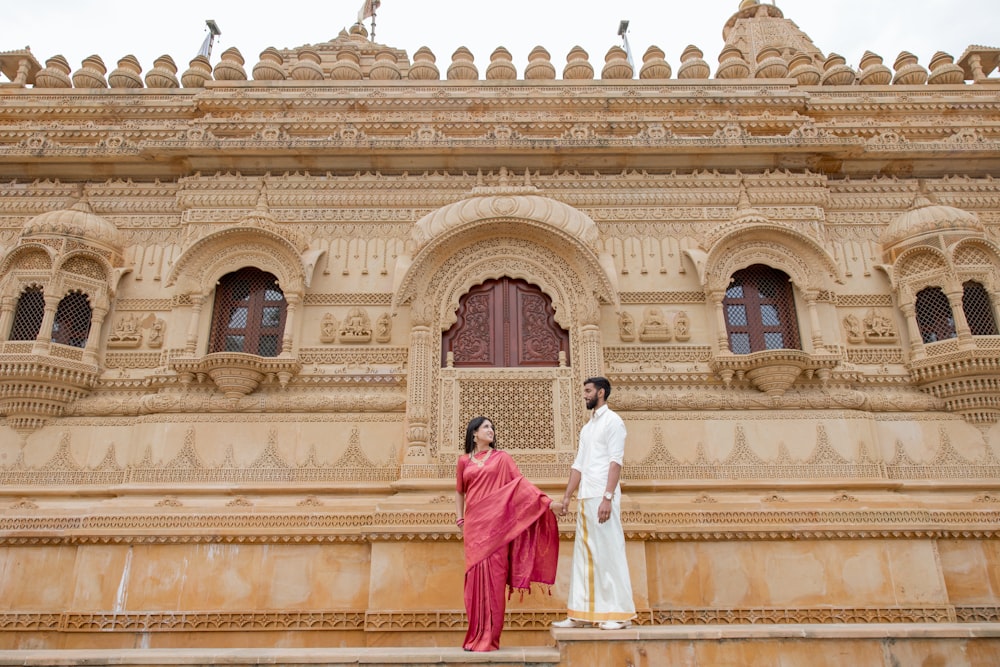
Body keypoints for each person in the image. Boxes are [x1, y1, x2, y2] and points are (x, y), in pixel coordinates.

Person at [455, 416, 560, 651]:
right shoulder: (463, 461)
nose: (490, 430)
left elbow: (520, 485)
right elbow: (460, 492)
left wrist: (547, 502)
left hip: (497, 529)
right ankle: (474, 636)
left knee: (494, 581)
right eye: (485, 427)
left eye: (492, 427)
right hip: (474, 527)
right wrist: (459, 518)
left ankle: (489, 639)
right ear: (474, 433)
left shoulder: (502, 458)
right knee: (473, 582)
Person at [551, 376, 636, 630]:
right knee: (584, 555)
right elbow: (579, 464)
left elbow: (615, 462)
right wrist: (567, 496)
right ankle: (581, 613)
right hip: (586, 496)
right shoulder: (587, 428)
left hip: (602, 497)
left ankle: (619, 614)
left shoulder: (614, 422)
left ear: (601, 393)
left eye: (588, 391)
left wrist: (607, 497)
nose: (585, 395)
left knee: (609, 553)